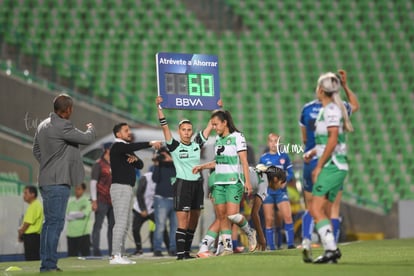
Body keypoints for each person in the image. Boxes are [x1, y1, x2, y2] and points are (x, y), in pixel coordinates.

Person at [300, 70, 359, 262]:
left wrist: (319, 166)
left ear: (321, 91)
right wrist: (311, 153)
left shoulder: (332, 110)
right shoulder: (330, 109)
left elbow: (333, 140)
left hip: (332, 166)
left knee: (315, 208)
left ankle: (330, 248)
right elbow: (325, 142)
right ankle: (331, 251)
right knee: (321, 209)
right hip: (334, 166)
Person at [32, 93, 95, 272]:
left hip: (45, 180)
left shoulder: (43, 124)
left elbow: (35, 150)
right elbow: (87, 138)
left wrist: (47, 164)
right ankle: (49, 264)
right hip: (58, 182)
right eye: (71, 108)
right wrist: (91, 128)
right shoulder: (63, 125)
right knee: (55, 223)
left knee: (48, 223)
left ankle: (46, 262)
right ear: (68, 110)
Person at [156, 96, 213, 260]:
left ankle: (187, 252)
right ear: (179, 131)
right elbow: (164, 126)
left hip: (197, 185)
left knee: (194, 220)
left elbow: (210, 125)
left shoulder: (197, 143)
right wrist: (159, 107)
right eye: (184, 130)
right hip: (182, 185)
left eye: (189, 130)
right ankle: (180, 255)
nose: (187, 132)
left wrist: (216, 109)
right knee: (184, 221)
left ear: (192, 131)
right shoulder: (174, 146)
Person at [192, 109, 257, 256]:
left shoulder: (238, 137)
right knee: (222, 217)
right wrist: (202, 166)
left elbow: (244, 161)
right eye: (212, 125)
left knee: (233, 215)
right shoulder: (218, 139)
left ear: (225, 122)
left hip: (234, 182)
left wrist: (247, 182)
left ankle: (250, 232)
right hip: (219, 183)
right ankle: (227, 248)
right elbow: (219, 162)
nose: (214, 128)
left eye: (216, 124)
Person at [196, 165, 285, 257]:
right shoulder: (264, 184)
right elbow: (254, 213)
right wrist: (261, 236)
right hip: (233, 182)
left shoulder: (257, 172)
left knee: (223, 217)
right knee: (228, 216)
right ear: (275, 179)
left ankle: (212, 248)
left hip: (217, 177)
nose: (281, 186)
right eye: (281, 182)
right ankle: (249, 232)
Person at [109, 122, 161, 265]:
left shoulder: (125, 149)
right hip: (120, 188)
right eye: (126, 130)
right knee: (120, 222)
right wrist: (151, 143)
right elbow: (132, 147)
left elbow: (140, 165)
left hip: (126, 188)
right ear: (118, 134)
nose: (129, 132)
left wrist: (135, 159)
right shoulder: (118, 146)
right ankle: (115, 255)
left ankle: (120, 253)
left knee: (124, 222)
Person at [259, 133, 295, 250]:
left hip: (281, 192)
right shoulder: (263, 158)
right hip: (268, 192)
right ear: (268, 143)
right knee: (269, 219)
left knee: (287, 217)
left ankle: (290, 245)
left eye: (276, 141)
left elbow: (291, 173)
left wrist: (285, 181)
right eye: (272, 141)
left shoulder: (284, 156)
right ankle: (272, 246)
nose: (274, 144)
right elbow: (259, 174)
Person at [132, 165, 170, 256]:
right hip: (140, 208)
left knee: (162, 228)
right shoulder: (146, 178)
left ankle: (170, 248)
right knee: (135, 229)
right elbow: (139, 194)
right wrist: (143, 209)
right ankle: (139, 249)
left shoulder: (163, 179)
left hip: (153, 209)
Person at [152, 147, 177, 257]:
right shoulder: (159, 165)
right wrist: (157, 164)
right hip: (161, 198)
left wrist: (171, 160)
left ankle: (173, 248)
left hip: (175, 198)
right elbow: (154, 179)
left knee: (175, 226)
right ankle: (157, 249)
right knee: (160, 225)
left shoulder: (176, 164)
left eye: (165, 154)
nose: (164, 157)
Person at [90, 142, 115, 257]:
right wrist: (94, 200)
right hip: (101, 199)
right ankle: (96, 251)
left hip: (113, 200)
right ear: (107, 150)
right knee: (98, 226)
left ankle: (112, 251)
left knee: (112, 227)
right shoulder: (98, 164)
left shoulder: (115, 164)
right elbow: (93, 182)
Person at [66, 183, 92, 257]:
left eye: (79, 189)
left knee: (86, 256)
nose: (76, 190)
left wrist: (72, 214)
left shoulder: (87, 200)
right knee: (71, 258)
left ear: (83, 190)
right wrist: (78, 214)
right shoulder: (71, 202)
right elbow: (66, 217)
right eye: (76, 189)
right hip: (71, 234)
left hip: (83, 234)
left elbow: (83, 214)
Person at [18, 185, 43, 261]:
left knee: (31, 258)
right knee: (34, 257)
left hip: (31, 237)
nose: (24, 195)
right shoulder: (36, 204)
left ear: (32, 194)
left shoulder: (34, 205)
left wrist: (21, 233)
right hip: (34, 236)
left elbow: (27, 223)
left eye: (26, 193)